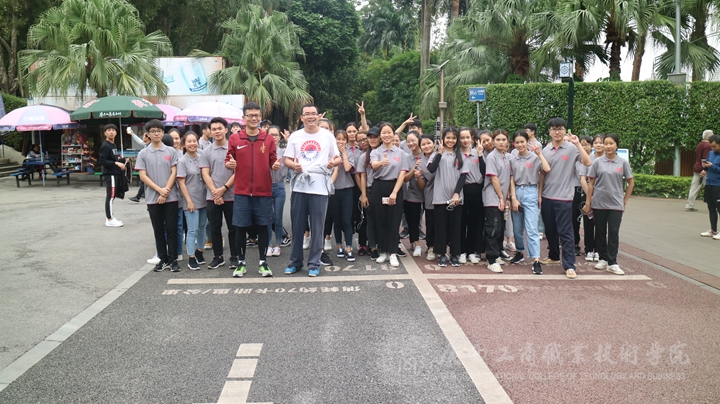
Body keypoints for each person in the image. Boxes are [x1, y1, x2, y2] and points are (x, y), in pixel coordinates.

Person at [283, 104, 341, 277]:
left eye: (313, 114)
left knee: (317, 227)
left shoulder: (327, 136)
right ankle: (295, 262)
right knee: (297, 226)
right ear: (301, 117)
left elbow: (337, 158)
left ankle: (314, 264)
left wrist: (333, 163)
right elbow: (287, 159)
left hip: (319, 186)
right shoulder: (295, 136)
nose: (310, 116)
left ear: (318, 116)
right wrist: (294, 165)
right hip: (299, 186)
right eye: (307, 114)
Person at [225, 102, 278, 278]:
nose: (254, 118)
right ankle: (241, 262)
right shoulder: (235, 138)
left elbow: (273, 159)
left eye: (256, 115)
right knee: (240, 227)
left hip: (263, 192)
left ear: (260, 117)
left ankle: (263, 262)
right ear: (244, 118)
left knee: (263, 227)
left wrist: (275, 164)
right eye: (250, 115)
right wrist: (229, 164)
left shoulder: (268, 139)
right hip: (241, 192)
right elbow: (228, 160)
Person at [539, 117, 592, 279]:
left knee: (566, 232)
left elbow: (587, 162)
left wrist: (577, 144)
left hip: (564, 198)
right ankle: (554, 256)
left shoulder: (571, 148)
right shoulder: (545, 150)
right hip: (547, 196)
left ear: (564, 131)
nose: (557, 132)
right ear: (549, 131)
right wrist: (539, 195)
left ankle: (569, 265)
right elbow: (542, 175)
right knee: (550, 229)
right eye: (554, 129)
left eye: (560, 128)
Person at [583, 134, 634, 275]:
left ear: (617, 145)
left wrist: (624, 201)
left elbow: (631, 183)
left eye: (611, 143)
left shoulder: (623, 163)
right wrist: (588, 203)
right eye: (606, 143)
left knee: (613, 233)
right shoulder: (597, 162)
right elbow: (590, 184)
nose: (608, 146)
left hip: (616, 204)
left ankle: (612, 262)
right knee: (600, 232)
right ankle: (603, 259)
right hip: (599, 203)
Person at [135, 119, 181, 272]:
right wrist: (159, 191)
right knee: (158, 230)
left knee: (172, 228)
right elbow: (143, 176)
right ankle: (163, 258)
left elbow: (174, 172)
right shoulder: (143, 153)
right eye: (153, 131)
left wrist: (166, 190)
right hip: (152, 198)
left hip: (171, 197)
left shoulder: (171, 151)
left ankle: (173, 259)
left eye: (159, 131)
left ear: (163, 133)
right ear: (147, 134)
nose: (156, 133)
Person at [509, 130, 551, 275]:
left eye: (522, 141)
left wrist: (539, 154)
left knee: (532, 228)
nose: (520, 145)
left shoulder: (534, 157)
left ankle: (536, 259)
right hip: (517, 192)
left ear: (527, 142)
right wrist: (513, 198)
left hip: (530, 191)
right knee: (517, 228)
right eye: (517, 142)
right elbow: (511, 179)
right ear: (514, 144)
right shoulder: (513, 159)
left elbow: (546, 169)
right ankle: (520, 252)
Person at [200, 117, 239, 270]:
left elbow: (238, 172)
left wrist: (223, 189)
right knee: (215, 228)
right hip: (212, 197)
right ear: (210, 131)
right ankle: (218, 257)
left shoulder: (234, 149)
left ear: (226, 130)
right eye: (214, 129)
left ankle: (235, 256)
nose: (217, 131)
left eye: (219, 128)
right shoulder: (206, 151)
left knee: (233, 228)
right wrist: (215, 193)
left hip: (231, 195)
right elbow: (205, 174)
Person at [370, 122, 409, 267]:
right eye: (384, 133)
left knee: (394, 220)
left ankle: (392, 252)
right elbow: (373, 165)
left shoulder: (401, 153)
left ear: (394, 134)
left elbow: (402, 174)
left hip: (395, 186)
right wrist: (381, 163)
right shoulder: (376, 152)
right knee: (380, 220)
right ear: (380, 136)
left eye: (389, 132)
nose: (386, 135)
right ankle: (383, 251)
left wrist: (394, 192)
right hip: (379, 186)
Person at [428, 127, 468, 267]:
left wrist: (457, 193)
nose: (450, 140)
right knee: (441, 227)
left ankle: (454, 254)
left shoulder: (461, 155)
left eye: (453, 138)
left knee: (455, 227)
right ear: (443, 139)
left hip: (456, 198)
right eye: (448, 138)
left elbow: (463, 176)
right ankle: (442, 254)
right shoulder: (436, 154)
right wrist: (439, 154)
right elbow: (431, 169)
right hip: (440, 197)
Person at [177, 131, 207, 270]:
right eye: (189, 141)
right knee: (192, 229)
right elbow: (181, 183)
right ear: (184, 144)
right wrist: (188, 200)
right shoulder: (182, 161)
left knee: (202, 227)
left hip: (204, 198)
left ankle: (199, 251)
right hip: (191, 200)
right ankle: (191, 257)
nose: (192, 144)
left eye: (194, 141)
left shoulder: (202, 157)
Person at [483, 129, 512, 273]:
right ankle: (491, 260)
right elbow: (494, 178)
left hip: (502, 198)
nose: (501, 142)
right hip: (492, 198)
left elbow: (509, 178)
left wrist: (507, 197)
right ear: (494, 141)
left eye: (503, 139)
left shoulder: (506, 157)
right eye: (498, 140)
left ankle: (498, 253)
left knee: (500, 227)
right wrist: (501, 197)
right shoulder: (491, 157)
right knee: (493, 228)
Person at [459, 127, 485, 264]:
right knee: (461, 221)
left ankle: (471, 251)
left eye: (467, 137)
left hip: (477, 190)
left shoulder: (478, 152)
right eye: (462, 138)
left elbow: (484, 171)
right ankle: (461, 251)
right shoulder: (456, 154)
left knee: (474, 222)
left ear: (472, 138)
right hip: (462, 190)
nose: (465, 140)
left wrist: (480, 155)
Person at [330, 130, 356, 261]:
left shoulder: (350, 153)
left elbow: (347, 168)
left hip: (347, 191)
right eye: (338, 138)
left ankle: (349, 247)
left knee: (347, 220)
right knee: (337, 221)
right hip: (333, 191)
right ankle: (339, 246)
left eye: (343, 139)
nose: (340, 141)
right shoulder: (329, 152)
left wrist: (344, 153)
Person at [355, 127, 381, 259]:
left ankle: (383, 245)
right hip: (370, 190)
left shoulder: (384, 153)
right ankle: (372, 247)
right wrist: (364, 195)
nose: (372, 140)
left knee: (382, 220)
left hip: (383, 189)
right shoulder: (363, 157)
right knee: (370, 220)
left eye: (374, 137)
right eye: (370, 138)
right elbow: (362, 176)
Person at [99, 124, 129, 227]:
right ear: (105, 133)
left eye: (113, 130)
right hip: (110, 174)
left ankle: (111, 217)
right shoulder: (105, 145)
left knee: (112, 196)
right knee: (111, 196)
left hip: (114, 173)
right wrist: (116, 163)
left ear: (116, 133)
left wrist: (122, 160)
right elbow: (102, 161)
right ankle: (109, 219)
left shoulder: (113, 145)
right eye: (109, 130)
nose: (111, 132)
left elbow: (112, 159)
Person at [266, 126, 289, 257]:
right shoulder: (263, 151)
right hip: (266, 187)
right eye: (271, 134)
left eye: (276, 135)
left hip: (279, 187)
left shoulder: (284, 153)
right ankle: (269, 245)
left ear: (279, 137)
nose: (273, 137)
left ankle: (278, 245)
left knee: (278, 218)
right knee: (268, 217)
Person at [402, 131, 424, 257]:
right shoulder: (406, 157)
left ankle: (431, 244)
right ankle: (416, 243)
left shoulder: (427, 154)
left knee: (432, 220)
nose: (411, 143)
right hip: (412, 193)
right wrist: (413, 169)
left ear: (419, 140)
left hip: (428, 192)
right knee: (413, 220)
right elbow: (405, 178)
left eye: (413, 140)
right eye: (408, 141)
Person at [417, 135, 437, 260]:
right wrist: (417, 177)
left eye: (429, 143)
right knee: (431, 222)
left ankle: (442, 246)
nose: (426, 146)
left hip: (444, 193)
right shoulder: (420, 162)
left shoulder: (440, 156)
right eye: (423, 144)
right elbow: (422, 185)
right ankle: (431, 246)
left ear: (434, 143)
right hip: (430, 193)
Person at [578, 136, 598, 262]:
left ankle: (599, 250)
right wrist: (590, 197)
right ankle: (589, 249)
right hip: (588, 196)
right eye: (596, 142)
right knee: (589, 223)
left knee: (601, 225)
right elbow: (583, 178)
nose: (599, 145)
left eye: (601, 142)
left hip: (603, 197)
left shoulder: (608, 159)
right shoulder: (588, 158)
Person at [686, 130, 713, 212]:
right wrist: (705, 169)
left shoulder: (700, 144)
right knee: (711, 188)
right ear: (709, 136)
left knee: (694, 187)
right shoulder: (708, 145)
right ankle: (714, 206)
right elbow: (705, 159)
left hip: (697, 168)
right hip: (704, 170)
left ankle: (689, 205)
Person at [699, 134, 720, 238]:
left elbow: (715, 167)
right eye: (711, 147)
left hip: (718, 185)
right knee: (711, 207)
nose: (712, 149)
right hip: (709, 183)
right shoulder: (711, 153)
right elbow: (708, 165)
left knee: (719, 208)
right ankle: (713, 230)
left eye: (714, 146)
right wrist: (705, 169)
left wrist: (713, 166)